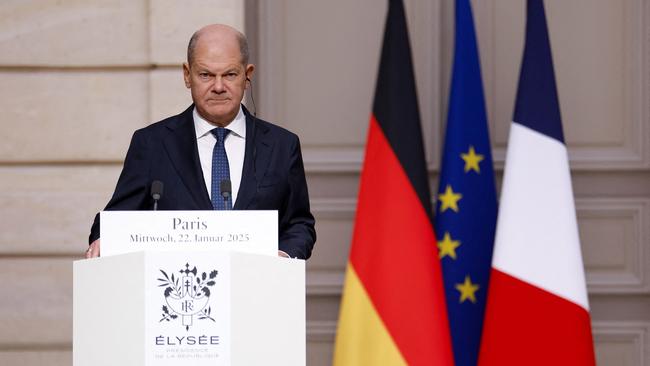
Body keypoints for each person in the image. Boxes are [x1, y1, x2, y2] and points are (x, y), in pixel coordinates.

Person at [85, 24, 316, 259]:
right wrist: (104, 238)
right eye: (206, 75)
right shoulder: (152, 144)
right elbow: (114, 220)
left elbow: (300, 225)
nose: (218, 87)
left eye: (230, 74)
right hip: (178, 288)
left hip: (256, 287)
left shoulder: (282, 146)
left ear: (248, 76)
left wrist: (284, 255)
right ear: (187, 75)